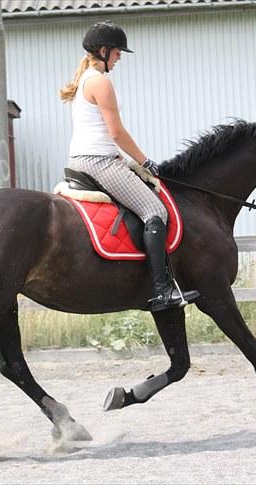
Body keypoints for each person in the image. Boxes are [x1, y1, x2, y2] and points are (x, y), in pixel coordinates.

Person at [60, 21, 199, 312]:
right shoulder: (100, 81)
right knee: (155, 211)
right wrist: (146, 161)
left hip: (93, 158)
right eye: (117, 52)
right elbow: (116, 133)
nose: (120, 57)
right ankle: (161, 290)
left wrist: (127, 161)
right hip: (97, 162)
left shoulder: (87, 78)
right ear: (103, 50)